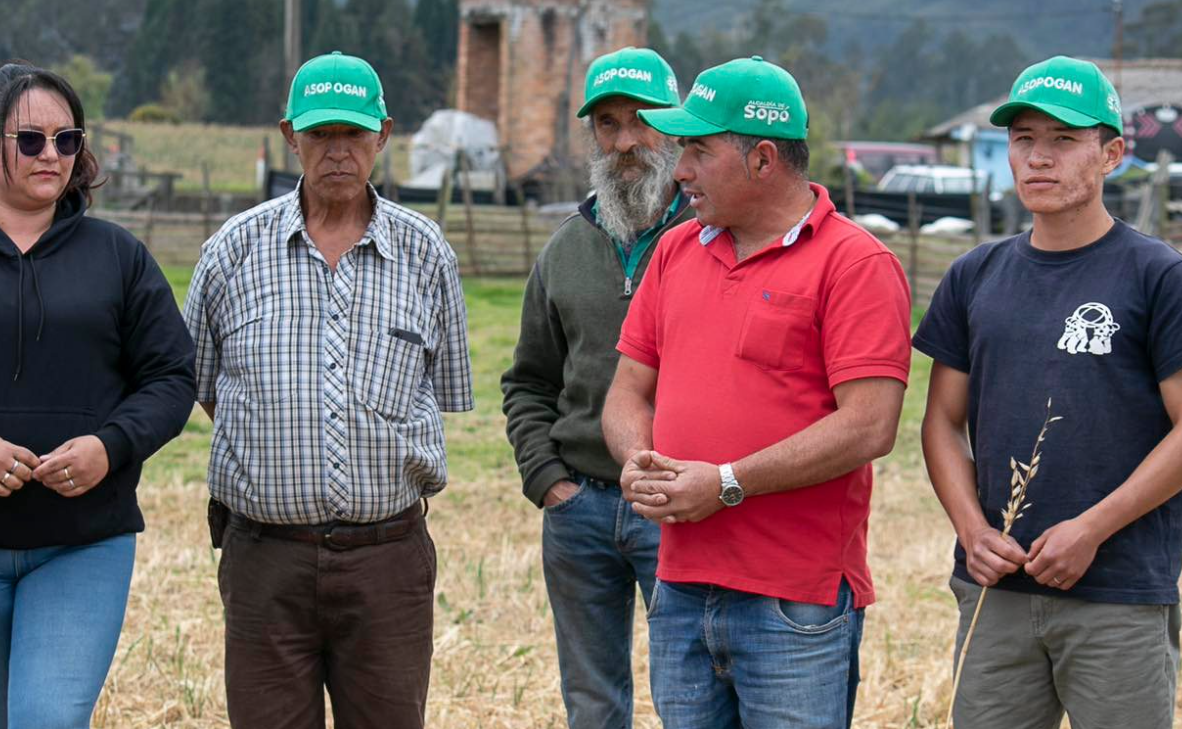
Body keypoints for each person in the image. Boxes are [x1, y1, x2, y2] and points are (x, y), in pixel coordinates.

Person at [601, 56, 911, 728]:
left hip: (791, 598)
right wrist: (635, 458)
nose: (678, 168)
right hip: (679, 587)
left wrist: (729, 482)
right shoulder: (678, 251)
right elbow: (628, 388)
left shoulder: (855, 263)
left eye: (697, 150)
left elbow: (869, 426)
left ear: (763, 158)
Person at [0, 62, 195, 728]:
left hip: (82, 542)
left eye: (66, 139)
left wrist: (109, 448)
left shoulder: (119, 257)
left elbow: (172, 375)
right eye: (29, 139)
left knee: (45, 718)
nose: (51, 154)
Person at [183, 51, 474, 729]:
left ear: (384, 134)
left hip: (388, 560)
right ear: (291, 135)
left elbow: (445, 389)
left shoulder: (426, 254)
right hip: (263, 558)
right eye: (320, 135)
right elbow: (198, 382)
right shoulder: (233, 250)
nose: (337, 151)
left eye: (352, 134)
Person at [915, 56, 1182, 728]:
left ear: (1112, 153)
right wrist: (971, 531)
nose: (1038, 158)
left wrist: (1091, 529)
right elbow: (941, 423)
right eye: (1023, 139)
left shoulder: (1156, 275)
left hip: (1117, 592)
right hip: (996, 589)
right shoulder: (974, 274)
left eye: (1063, 140)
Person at [500, 46, 691, 728]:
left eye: (642, 122)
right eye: (608, 125)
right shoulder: (564, 249)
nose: (626, 142)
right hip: (579, 507)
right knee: (591, 702)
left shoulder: (711, 238)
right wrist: (547, 479)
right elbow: (526, 381)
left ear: (674, 127)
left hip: (682, 507)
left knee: (689, 694)